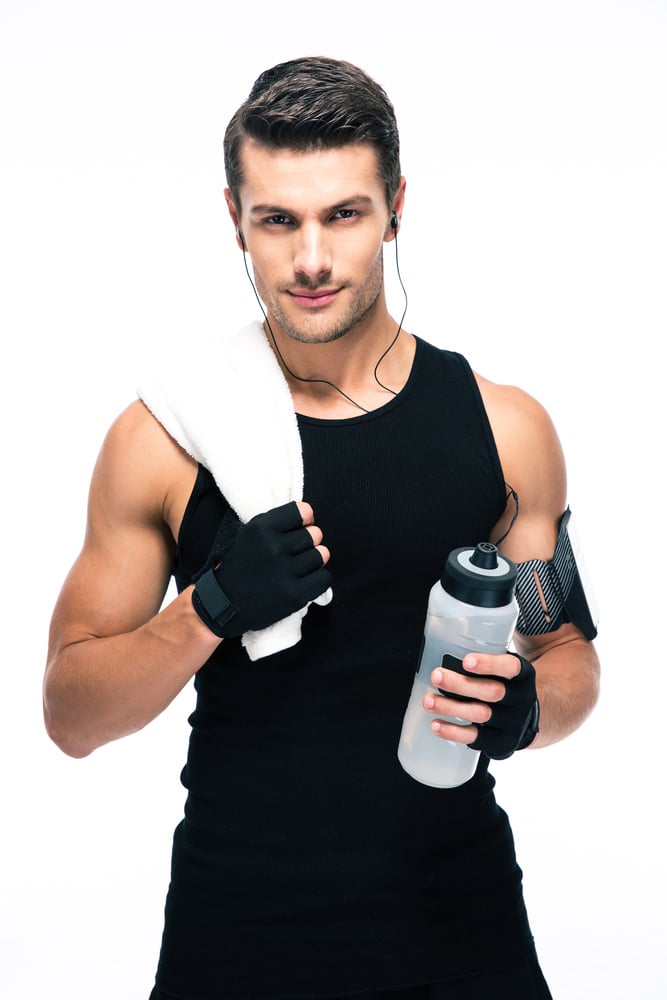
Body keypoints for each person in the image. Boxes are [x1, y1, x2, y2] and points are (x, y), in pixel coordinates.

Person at [43, 56, 600, 1000]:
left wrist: (528, 710)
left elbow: (565, 649)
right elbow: (71, 715)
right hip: (237, 935)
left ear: (394, 207)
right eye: (278, 220)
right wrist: (210, 606)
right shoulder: (165, 440)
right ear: (235, 220)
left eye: (343, 214)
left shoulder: (503, 430)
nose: (310, 259)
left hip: (458, 930)